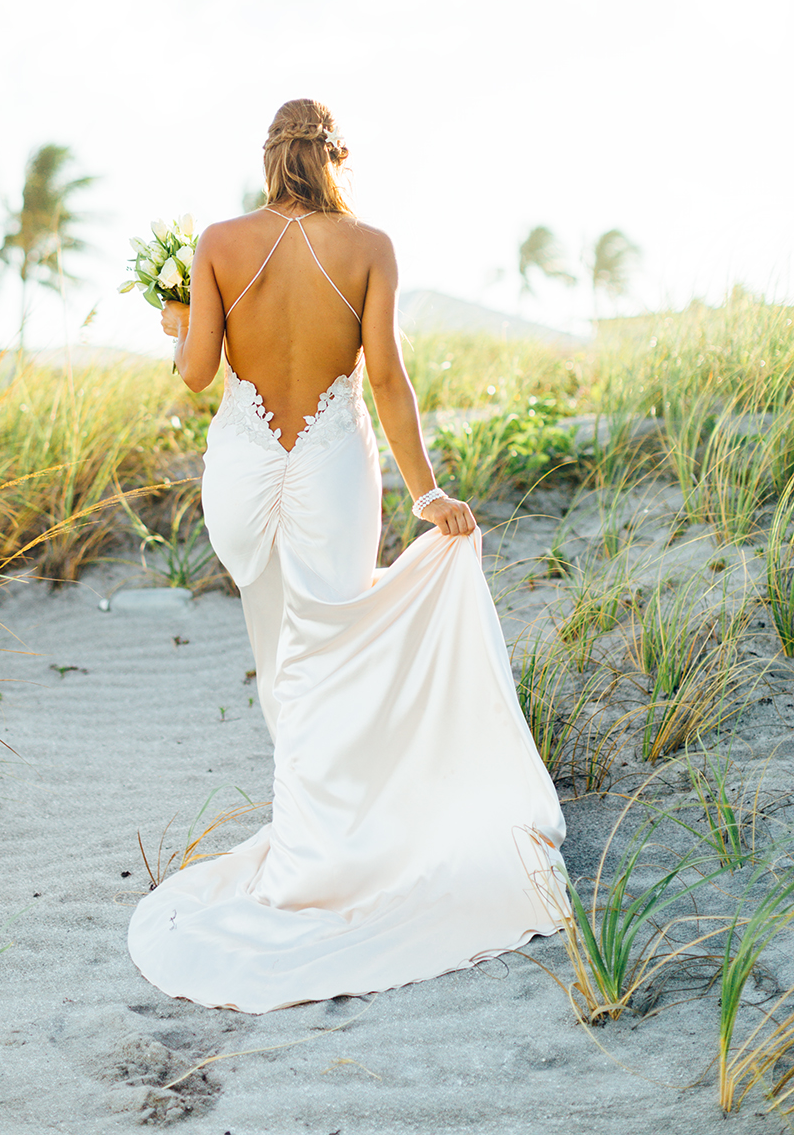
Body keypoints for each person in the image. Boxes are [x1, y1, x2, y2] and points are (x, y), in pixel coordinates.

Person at [128, 98, 565, 1014]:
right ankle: (339, 842)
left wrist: (178, 323)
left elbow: (199, 374)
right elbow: (389, 379)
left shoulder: (219, 241)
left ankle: (308, 846)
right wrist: (426, 492)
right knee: (334, 645)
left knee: (279, 656)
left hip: (247, 471)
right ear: (334, 157)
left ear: (268, 157)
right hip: (329, 468)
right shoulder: (370, 247)